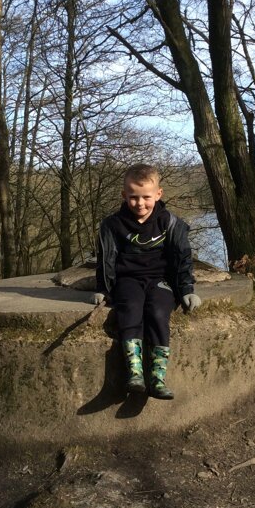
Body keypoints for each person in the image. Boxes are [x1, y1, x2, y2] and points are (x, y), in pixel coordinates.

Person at [91, 164, 201, 400]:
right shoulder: (113, 225)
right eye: (133, 197)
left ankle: (157, 378)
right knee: (130, 309)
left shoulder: (170, 223)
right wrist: (103, 288)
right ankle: (135, 374)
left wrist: (186, 289)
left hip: (160, 280)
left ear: (158, 194)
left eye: (146, 197)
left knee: (158, 313)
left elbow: (183, 258)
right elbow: (105, 260)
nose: (139, 203)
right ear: (124, 195)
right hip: (127, 279)